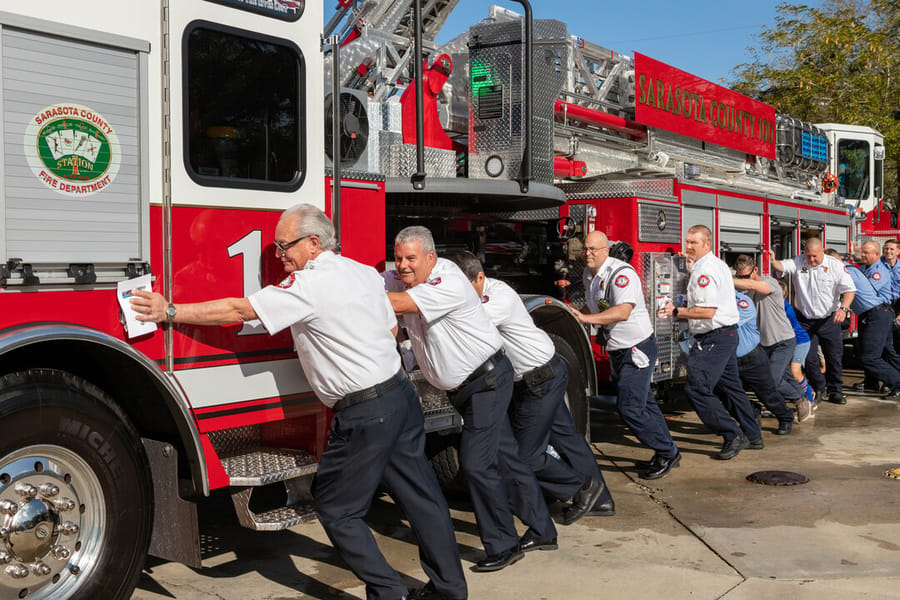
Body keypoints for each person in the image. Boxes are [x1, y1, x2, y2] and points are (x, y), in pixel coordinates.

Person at [130, 204, 466, 600]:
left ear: (312, 243)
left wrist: (169, 310)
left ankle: (388, 592)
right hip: (399, 395)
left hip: (365, 412)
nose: (278, 255)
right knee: (422, 497)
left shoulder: (308, 285)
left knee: (336, 508)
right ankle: (450, 589)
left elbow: (239, 310)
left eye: (283, 245)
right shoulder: (362, 272)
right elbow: (391, 327)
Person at [384, 226, 561, 574]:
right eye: (398, 257)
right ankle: (543, 529)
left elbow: (400, 305)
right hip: (467, 389)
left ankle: (503, 544)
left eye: (411, 258)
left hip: (487, 381)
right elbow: (385, 295)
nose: (402, 265)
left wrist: (350, 297)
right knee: (507, 458)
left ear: (431, 258)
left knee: (477, 464)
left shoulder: (446, 280)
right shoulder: (400, 279)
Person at [446, 251, 615, 527]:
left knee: (526, 456)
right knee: (567, 439)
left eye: (463, 287)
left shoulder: (495, 298)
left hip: (540, 379)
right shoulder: (477, 296)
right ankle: (601, 500)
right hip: (539, 376)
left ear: (479, 278)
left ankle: (582, 487)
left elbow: (467, 327)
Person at [569, 231, 680, 479]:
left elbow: (621, 312)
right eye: (585, 249)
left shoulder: (622, 275)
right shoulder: (589, 275)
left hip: (636, 348)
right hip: (618, 349)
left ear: (606, 250)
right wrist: (575, 314)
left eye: (593, 249)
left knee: (630, 408)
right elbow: (596, 305)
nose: (587, 253)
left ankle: (668, 452)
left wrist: (586, 319)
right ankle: (665, 451)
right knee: (645, 405)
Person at [660, 225, 762, 460]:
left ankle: (731, 434)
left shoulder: (704, 271)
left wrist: (676, 311)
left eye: (693, 243)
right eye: (687, 241)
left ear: (707, 244)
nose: (688, 247)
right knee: (731, 388)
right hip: (725, 335)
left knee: (696, 388)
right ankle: (753, 435)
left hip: (713, 338)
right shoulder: (716, 265)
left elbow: (706, 311)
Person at [769, 239, 855, 405]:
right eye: (808, 256)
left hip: (829, 319)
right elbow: (782, 266)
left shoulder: (835, 265)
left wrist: (843, 308)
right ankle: (818, 387)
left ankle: (836, 390)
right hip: (805, 319)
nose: (812, 260)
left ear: (822, 251)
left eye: (815, 256)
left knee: (834, 355)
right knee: (808, 358)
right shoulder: (798, 261)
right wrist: (773, 261)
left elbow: (849, 289)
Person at [732, 254, 811, 422]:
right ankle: (800, 398)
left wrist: (727, 279)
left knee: (773, 380)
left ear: (755, 270)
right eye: (740, 276)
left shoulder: (770, 282)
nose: (743, 280)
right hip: (763, 342)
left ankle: (800, 399)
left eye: (745, 276)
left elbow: (753, 285)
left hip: (783, 340)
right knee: (784, 376)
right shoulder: (742, 288)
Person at [824, 248, 900, 401]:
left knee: (869, 358)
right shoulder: (851, 268)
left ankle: (896, 382)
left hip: (875, 315)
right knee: (888, 351)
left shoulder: (845, 271)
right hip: (879, 313)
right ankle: (873, 383)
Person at [732, 290, 795, 435]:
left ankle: (785, 417)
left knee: (766, 393)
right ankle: (752, 411)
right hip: (729, 359)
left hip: (751, 357)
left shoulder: (742, 301)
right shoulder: (715, 302)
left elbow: (726, 322)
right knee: (729, 394)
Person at [778, 279, 817, 418]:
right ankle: (806, 393)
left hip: (800, 341)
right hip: (792, 341)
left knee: (795, 371)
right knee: (787, 372)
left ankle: (810, 398)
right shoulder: (779, 306)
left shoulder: (785, 309)